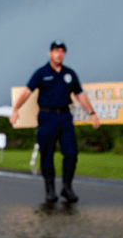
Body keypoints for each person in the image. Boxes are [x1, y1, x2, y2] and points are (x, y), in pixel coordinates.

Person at [10, 41, 101, 204]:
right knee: (47, 155)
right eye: (56, 51)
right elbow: (27, 92)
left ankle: (67, 187)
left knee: (71, 153)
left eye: (62, 51)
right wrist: (15, 109)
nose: (59, 54)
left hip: (65, 116)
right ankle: (50, 190)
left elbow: (80, 95)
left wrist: (92, 113)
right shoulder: (41, 72)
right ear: (49, 53)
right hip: (47, 117)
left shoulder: (69, 74)